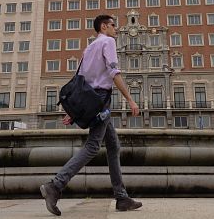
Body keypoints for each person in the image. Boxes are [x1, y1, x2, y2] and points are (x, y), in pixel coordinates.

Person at [40, 14, 142, 216]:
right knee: (93, 146)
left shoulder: (89, 48)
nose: (116, 29)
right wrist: (130, 99)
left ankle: (121, 197)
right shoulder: (108, 42)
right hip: (101, 101)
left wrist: (75, 111)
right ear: (104, 27)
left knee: (113, 145)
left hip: (91, 100)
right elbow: (114, 73)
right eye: (113, 25)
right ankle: (55, 185)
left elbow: (81, 82)